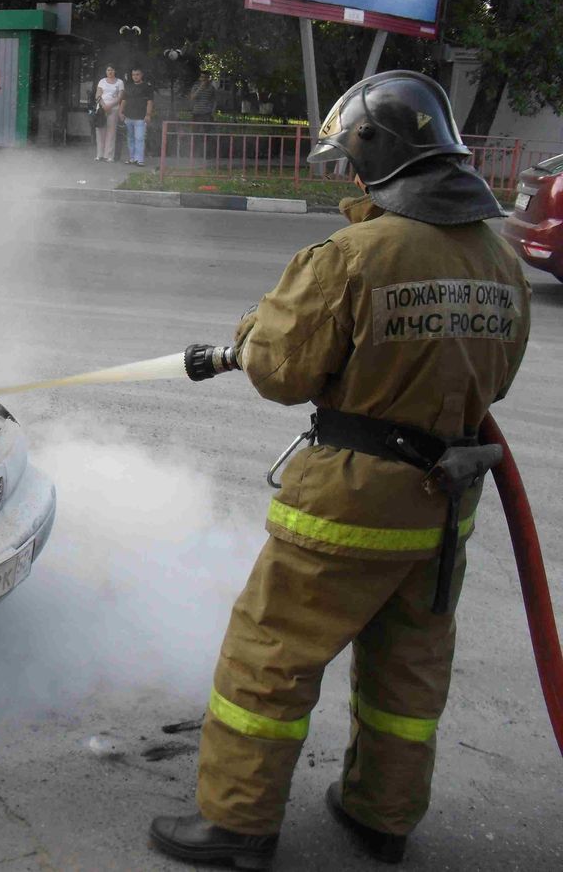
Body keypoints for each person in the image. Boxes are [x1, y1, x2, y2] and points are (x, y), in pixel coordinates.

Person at [149, 70, 531, 869]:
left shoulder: (352, 254)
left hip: (348, 506)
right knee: (409, 670)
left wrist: (254, 330)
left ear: (375, 158)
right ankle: (381, 818)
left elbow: (281, 374)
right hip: (444, 508)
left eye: (352, 162)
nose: (351, 179)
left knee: (270, 659)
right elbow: (493, 379)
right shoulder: (499, 259)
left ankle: (239, 824)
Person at [119, 66, 153, 166]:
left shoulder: (147, 87)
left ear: (141, 75)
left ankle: (140, 160)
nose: (135, 76)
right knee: (130, 138)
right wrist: (120, 112)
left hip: (141, 117)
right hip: (128, 116)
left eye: (137, 74)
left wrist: (148, 114)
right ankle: (132, 158)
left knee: (139, 138)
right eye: (133, 74)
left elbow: (150, 102)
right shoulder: (128, 86)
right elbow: (124, 100)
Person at [93, 65, 123, 162]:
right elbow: (97, 95)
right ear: (106, 71)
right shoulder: (102, 81)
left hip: (113, 109)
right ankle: (99, 154)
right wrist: (104, 105)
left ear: (115, 71)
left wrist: (110, 106)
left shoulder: (120, 82)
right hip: (101, 109)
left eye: (112, 70)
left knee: (111, 132)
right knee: (100, 131)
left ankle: (109, 155)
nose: (110, 72)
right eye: (108, 70)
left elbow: (120, 97)